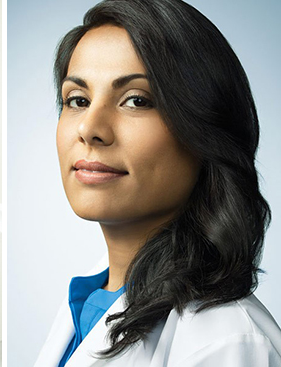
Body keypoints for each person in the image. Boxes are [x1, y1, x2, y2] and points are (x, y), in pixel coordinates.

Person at [34, 0, 281, 366]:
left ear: (205, 131)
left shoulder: (228, 342)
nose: (90, 129)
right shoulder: (88, 299)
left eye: (136, 100)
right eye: (78, 100)